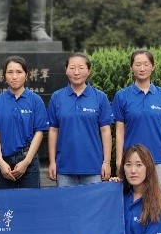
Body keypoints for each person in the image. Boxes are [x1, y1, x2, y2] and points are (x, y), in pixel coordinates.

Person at [113, 49, 161, 189]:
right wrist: (119, 161)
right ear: (131, 68)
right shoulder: (122, 96)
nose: (142, 68)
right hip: (132, 162)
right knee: (132, 199)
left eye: (146, 64)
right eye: (138, 64)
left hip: (158, 159)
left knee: (156, 201)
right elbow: (119, 131)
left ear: (153, 66)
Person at [47, 52, 114, 186]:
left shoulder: (99, 97)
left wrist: (106, 162)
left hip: (93, 167)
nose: (76, 72)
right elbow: (53, 130)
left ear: (88, 71)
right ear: (66, 70)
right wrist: (52, 162)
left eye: (81, 68)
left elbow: (106, 131)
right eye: (72, 68)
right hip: (64, 167)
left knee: (93, 200)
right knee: (67, 200)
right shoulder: (57, 97)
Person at [0, 56, 49, 188]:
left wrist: (26, 162)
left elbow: (39, 132)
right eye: (10, 72)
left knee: (30, 199)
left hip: (28, 160)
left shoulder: (35, 100)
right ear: (4, 76)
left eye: (19, 72)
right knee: (6, 200)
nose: (14, 76)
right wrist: (0, 161)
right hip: (4, 162)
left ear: (26, 75)